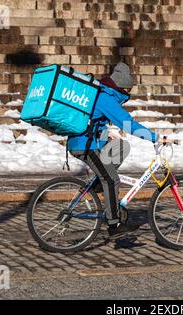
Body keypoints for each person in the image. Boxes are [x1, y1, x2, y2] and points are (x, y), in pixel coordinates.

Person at [68, 62, 159, 238]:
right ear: (121, 87)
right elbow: (129, 124)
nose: (128, 94)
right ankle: (114, 224)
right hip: (84, 145)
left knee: (122, 146)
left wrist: (104, 135)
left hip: (89, 141)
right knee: (111, 180)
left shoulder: (103, 93)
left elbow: (95, 121)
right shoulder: (106, 98)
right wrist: (156, 138)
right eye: (127, 90)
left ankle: (96, 187)